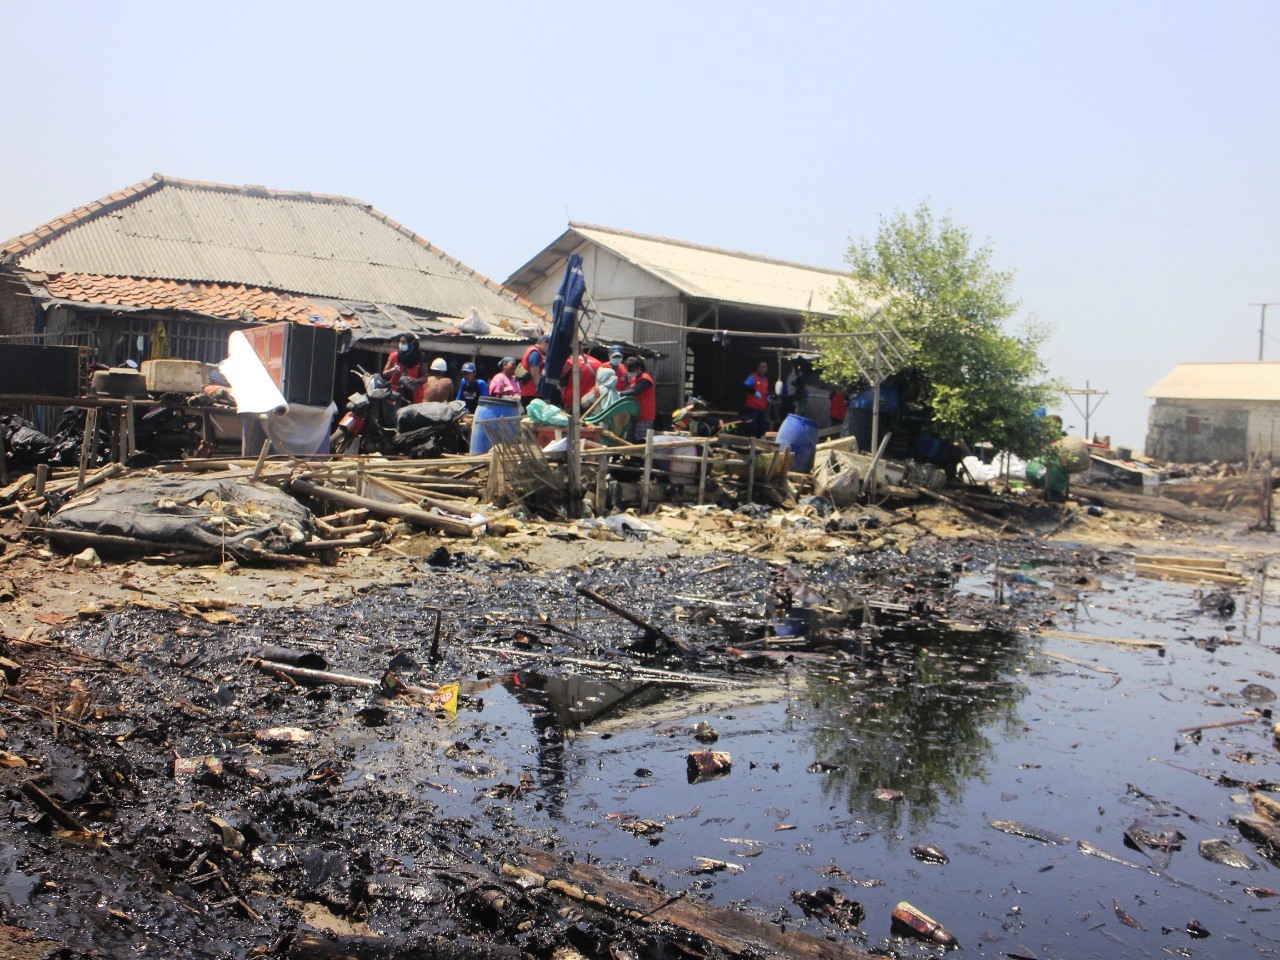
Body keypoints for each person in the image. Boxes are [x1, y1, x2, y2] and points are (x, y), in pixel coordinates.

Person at [619, 356, 655, 442]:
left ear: (638, 368)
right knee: (629, 438)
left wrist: (619, 394)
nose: (630, 373)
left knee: (641, 439)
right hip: (634, 413)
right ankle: (632, 455)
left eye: (632, 371)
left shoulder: (645, 379)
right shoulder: (634, 378)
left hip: (644, 414)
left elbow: (635, 391)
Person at [384, 334, 425, 404]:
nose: (401, 344)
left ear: (411, 344)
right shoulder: (394, 356)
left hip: (413, 393)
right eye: (400, 342)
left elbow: (425, 377)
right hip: (395, 393)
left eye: (404, 342)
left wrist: (416, 380)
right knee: (394, 413)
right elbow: (384, 373)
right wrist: (392, 370)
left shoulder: (420, 357)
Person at [519, 334, 549, 408]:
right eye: (550, 346)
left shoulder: (531, 350)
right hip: (532, 395)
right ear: (544, 342)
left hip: (529, 394)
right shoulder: (535, 353)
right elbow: (535, 376)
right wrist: (543, 392)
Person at [743, 360, 771, 438]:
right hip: (752, 407)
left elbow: (765, 393)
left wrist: (768, 398)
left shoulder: (766, 380)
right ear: (758, 368)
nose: (763, 369)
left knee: (762, 427)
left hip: (762, 408)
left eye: (764, 367)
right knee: (752, 427)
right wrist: (754, 392)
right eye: (761, 367)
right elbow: (744, 387)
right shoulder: (753, 377)